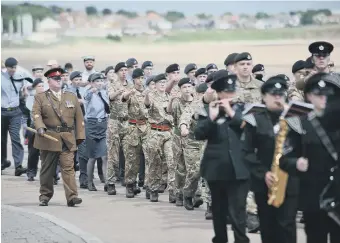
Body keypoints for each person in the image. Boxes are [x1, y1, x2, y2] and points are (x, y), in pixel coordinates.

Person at [280, 73, 340, 243]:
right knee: (315, 237)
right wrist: (296, 163)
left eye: (328, 95)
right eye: (318, 95)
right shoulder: (299, 123)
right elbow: (284, 158)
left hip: (337, 192)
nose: (323, 99)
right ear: (308, 96)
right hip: (313, 195)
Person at [242, 75, 300, 243]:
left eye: (280, 94)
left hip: (289, 181)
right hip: (264, 182)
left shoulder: (295, 119)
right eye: (273, 94)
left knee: (287, 225)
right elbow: (246, 151)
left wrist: (291, 115)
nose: (277, 98)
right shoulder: (255, 120)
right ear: (264, 97)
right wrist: (263, 173)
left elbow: (305, 145)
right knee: (268, 226)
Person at [195, 70, 250, 243]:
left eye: (233, 92)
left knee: (238, 211)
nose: (230, 95)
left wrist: (231, 113)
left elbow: (250, 129)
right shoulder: (209, 110)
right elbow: (198, 133)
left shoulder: (244, 110)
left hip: (239, 170)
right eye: (227, 92)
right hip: (216, 170)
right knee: (218, 211)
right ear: (219, 93)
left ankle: (241, 240)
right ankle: (220, 239)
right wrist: (211, 118)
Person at [32, 67, 85, 207]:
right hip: (49, 138)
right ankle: (45, 195)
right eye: (55, 79)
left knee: (68, 168)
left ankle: (72, 197)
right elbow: (36, 114)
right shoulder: (40, 97)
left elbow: (79, 119)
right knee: (47, 170)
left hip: (67, 138)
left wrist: (79, 137)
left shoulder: (71, 96)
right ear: (48, 81)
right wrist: (40, 127)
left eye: (60, 78)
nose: (59, 80)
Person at [144, 73, 174, 202]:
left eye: (164, 82)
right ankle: (153, 188)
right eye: (160, 82)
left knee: (171, 161)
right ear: (155, 85)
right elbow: (147, 105)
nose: (162, 84)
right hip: (155, 132)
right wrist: (146, 96)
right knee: (154, 162)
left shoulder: (170, 96)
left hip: (168, 132)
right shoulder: (151, 96)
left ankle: (173, 191)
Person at [121, 68, 149, 197]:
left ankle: (149, 185)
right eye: (138, 78)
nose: (141, 81)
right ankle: (130, 184)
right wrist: (129, 93)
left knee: (150, 157)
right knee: (132, 158)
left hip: (146, 127)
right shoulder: (130, 91)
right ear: (134, 79)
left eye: (142, 78)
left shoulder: (148, 92)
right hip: (133, 127)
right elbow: (123, 98)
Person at [106, 62, 133, 194]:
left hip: (127, 122)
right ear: (117, 72)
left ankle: (129, 184)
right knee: (113, 155)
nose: (124, 72)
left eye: (125, 70)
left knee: (129, 154)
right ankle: (110, 183)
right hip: (115, 122)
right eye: (121, 70)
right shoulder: (112, 83)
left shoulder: (130, 84)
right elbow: (110, 97)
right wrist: (119, 91)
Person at [1, 57, 28, 175]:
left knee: (15, 137)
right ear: (6, 67)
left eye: (15, 67)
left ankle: (18, 166)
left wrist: (26, 89)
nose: (13, 70)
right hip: (2, 112)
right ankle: (2, 162)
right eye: (11, 67)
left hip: (16, 112)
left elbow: (30, 82)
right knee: (2, 139)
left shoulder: (20, 75)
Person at [84, 73, 109, 191]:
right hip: (92, 124)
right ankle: (89, 182)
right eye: (97, 81)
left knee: (105, 156)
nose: (99, 83)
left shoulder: (104, 93)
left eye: (101, 81)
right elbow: (86, 98)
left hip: (103, 124)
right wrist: (91, 91)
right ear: (92, 83)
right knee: (92, 156)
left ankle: (107, 183)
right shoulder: (88, 93)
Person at [26, 78, 45, 181]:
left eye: (42, 86)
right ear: (34, 88)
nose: (41, 88)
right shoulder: (31, 98)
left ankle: (52, 175)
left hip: (47, 127)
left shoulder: (48, 97)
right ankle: (31, 172)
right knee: (33, 152)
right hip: (34, 128)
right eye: (39, 86)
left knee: (49, 153)